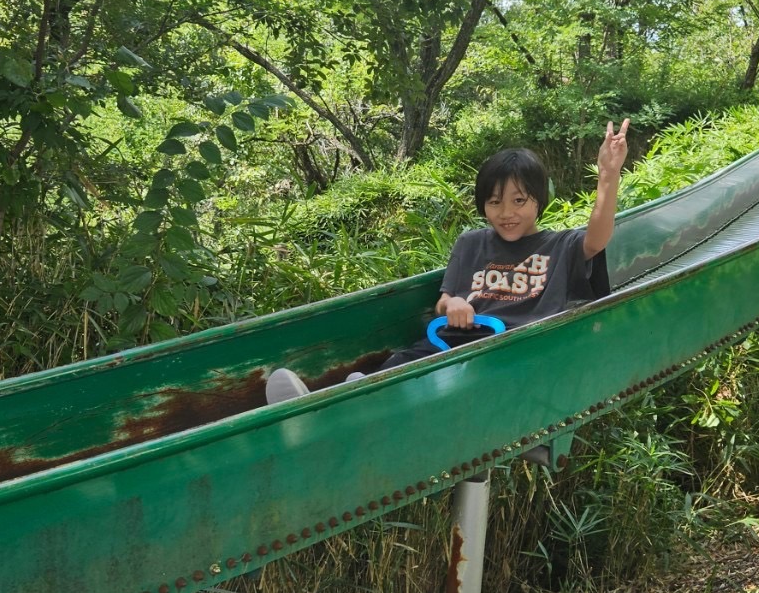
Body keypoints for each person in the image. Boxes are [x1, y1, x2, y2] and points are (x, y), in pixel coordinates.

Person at [266, 119, 630, 404]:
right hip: (451, 341)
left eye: (519, 201)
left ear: (538, 201)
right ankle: (324, 402)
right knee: (402, 363)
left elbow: (597, 238)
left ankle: (338, 404)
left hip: (507, 354)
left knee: (426, 385)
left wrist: (608, 176)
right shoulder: (472, 242)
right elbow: (445, 298)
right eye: (494, 202)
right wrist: (453, 302)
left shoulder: (559, 245)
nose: (506, 213)